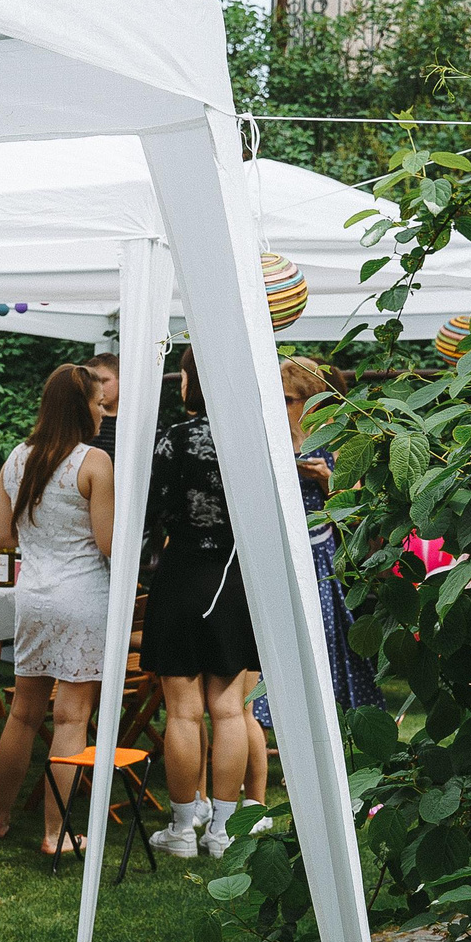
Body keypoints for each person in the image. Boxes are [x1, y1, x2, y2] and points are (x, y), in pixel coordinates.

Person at [0, 365, 117, 857]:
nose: (103, 412)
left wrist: (42, 545)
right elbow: (106, 542)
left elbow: (2, 537)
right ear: (80, 408)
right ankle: (54, 832)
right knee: (71, 719)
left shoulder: (17, 459)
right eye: (100, 404)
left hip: (34, 597)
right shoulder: (94, 462)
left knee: (21, 715)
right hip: (81, 598)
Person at [244, 356, 383, 805]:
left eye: (287, 399)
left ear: (307, 400)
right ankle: (288, 751)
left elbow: (359, 513)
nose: (280, 406)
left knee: (323, 650)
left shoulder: (334, 441)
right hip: (274, 559)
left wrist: (326, 479)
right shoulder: (264, 439)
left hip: (320, 558)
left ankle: (329, 752)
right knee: (276, 655)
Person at [141, 346, 259, 862]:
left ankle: (184, 830)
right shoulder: (258, 439)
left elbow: (152, 516)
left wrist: (152, 567)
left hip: (183, 572)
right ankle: (224, 834)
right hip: (236, 578)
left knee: (183, 714)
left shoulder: (173, 440)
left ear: (192, 379)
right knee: (229, 711)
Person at [83, 350, 120, 457]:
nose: (98, 388)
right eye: (92, 383)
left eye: (103, 381)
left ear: (120, 380)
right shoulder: (83, 420)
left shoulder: (135, 423)